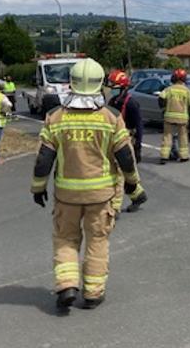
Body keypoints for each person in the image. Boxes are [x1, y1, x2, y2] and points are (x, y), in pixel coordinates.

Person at [31, 58, 141, 309]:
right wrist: (132, 184)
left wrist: (38, 188)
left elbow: (43, 159)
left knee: (66, 239)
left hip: (66, 195)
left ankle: (67, 285)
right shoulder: (111, 118)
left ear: (71, 83)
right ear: (101, 84)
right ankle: (93, 293)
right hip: (100, 197)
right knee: (97, 241)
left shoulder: (55, 117)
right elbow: (125, 156)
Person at [107, 70, 148, 213]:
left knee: (118, 174)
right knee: (122, 172)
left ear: (124, 88)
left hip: (126, 140)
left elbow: (139, 125)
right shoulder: (112, 102)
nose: (112, 91)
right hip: (113, 141)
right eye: (111, 88)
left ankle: (114, 208)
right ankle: (138, 195)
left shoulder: (131, 103)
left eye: (115, 88)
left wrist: (138, 146)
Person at [158, 68, 190, 164]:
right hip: (182, 118)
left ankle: (164, 157)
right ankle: (184, 156)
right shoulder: (188, 91)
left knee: (167, 137)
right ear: (184, 79)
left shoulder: (168, 89)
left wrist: (163, 109)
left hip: (169, 117)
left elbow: (161, 99)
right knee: (183, 137)